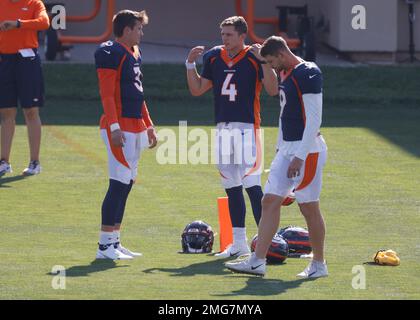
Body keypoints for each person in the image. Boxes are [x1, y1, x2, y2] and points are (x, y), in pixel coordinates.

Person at [226, 36, 328, 278]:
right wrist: (282, 150)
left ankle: (319, 264)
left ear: (282, 55)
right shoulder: (286, 72)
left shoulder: (308, 72)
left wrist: (299, 156)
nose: (271, 66)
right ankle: (257, 261)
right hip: (288, 149)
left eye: (271, 61)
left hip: (308, 149)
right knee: (269, 201)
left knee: (308, 208)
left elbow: (314, 119)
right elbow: (286, 113)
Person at [186, 16, 278, 258]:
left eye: (229, 34)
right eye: (223, 34)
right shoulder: (215, 56)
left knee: (252, 185)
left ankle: (266, 245)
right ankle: (239, 242)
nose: (224, 38)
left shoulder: (253, 56)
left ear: (241, 35)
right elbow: (197, 90)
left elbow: (272, 90)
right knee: (231, 186)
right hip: (223, 127)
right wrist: (189, 65)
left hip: (248, 127)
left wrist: (266, 62)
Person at [94, 10, 157, 260]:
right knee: (118, 184)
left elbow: (137, 94)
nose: (141, 33)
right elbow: (107, 94)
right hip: (119, 126)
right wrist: (114, 128)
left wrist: (149, 124)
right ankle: (104, 246)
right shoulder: (111, 52)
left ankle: (115, 241)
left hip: (133, 126)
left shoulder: (134, 53)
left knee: (126, 185)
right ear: (127, 30)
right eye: (138, 28)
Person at [0, 0, 50, 177]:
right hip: (4, 61)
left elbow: (44, 22)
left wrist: (18, 24)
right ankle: (4, 162)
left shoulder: (34, 3)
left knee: (31, 111)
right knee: (6, 112)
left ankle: (34, 162)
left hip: (27, 61)